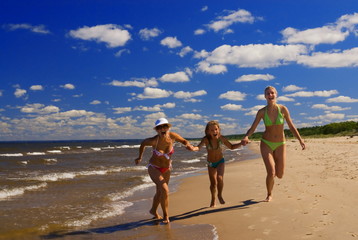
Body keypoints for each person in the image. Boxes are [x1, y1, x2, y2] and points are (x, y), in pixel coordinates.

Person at [241, 86, 305, 202]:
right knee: (271, 172)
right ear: (265, 96)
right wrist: (246, 136)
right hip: (266, 143)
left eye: (272, 93)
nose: (270, 95)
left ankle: (274, 171)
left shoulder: (283, 109)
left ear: (276, 95)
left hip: (280, 143)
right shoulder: (261, 112)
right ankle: (269, 194)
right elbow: (253, 127)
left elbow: (291, 126)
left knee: (280, 174)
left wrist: (300, 140)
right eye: (268, 93)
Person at [134, 118, 195, 224]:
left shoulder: (173, 136)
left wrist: (188, 145)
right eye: (159, 127)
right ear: (157, 130)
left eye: (165, 126)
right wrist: (139, 157)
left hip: (167, 168)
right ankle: (166, 216)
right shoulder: (154, 140)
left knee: (160, 191)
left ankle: (153, 210)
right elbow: (143, 143)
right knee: (165, 190)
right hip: (154, 167)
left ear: (168, 128)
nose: (162, 129)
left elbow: (184, 141)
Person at [192, 120, 242, 207]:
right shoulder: (206, 139)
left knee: (220, 178)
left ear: (219, 129)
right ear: (208, 131)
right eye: (212, 130)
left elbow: (232, 147)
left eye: (216, 129)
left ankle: (219, 195)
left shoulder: (222, 138)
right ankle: (213, 199)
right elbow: (198, 147)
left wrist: (241, 143)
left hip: (220, 161)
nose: (214, 131)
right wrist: (192, 148)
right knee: (213, 183)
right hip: (211, 163)